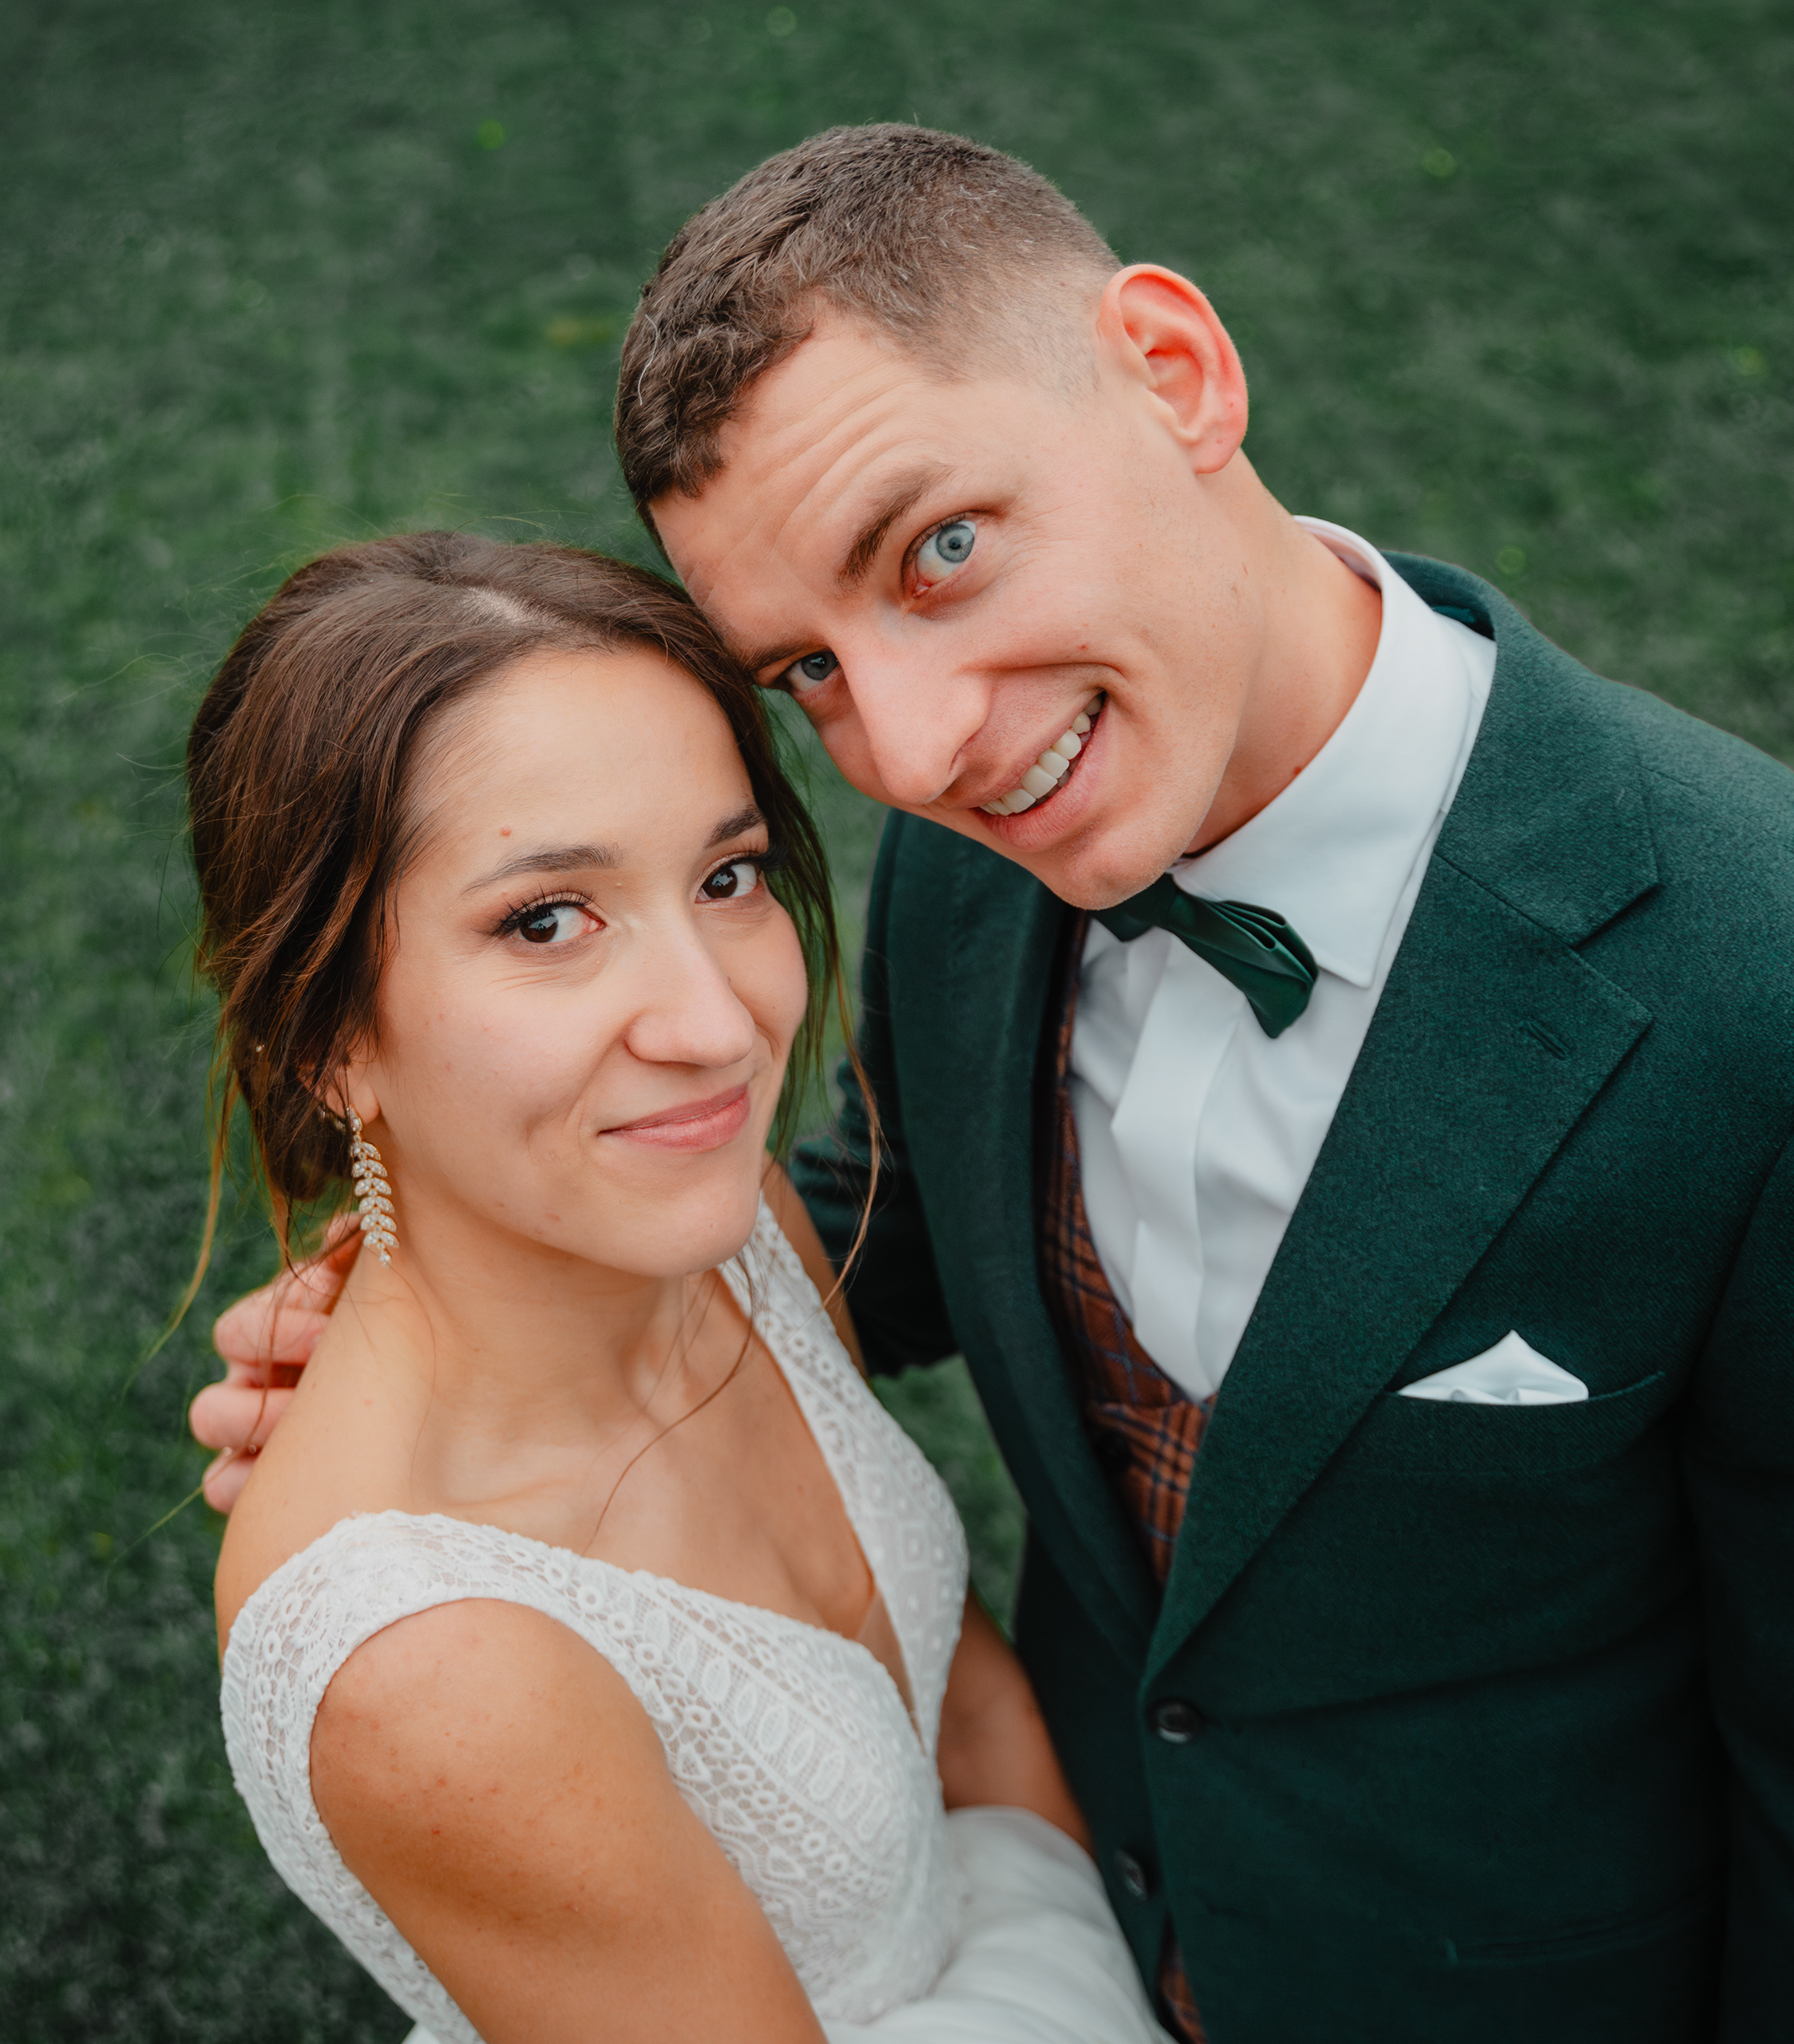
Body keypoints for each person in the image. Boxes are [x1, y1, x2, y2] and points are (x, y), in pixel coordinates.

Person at [200, 129, 1794, 2042]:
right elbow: (911, 1206)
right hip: (1070, 1900)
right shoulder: (983, 849)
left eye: (941, 550)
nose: (916, 752)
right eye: (809, 672)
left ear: (1177, 371)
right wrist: (455, 1311)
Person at [189, 531, 1172, 2044]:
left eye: (728, 877)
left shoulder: (733, 1227)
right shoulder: (428, 1669)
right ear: (328, 1039)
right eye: (547, 920)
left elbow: (965, 1705)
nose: (717, 1027)